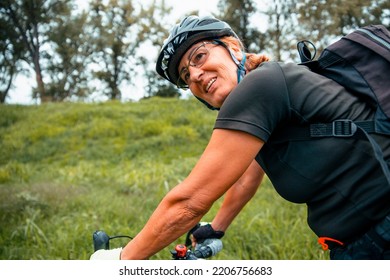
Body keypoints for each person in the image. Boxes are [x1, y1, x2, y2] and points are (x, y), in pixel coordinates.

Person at [90, 15, 390, 260]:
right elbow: (247, 176)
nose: (194, 75)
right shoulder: (271, 91)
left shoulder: (260, 85)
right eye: (184, 76)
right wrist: (217, 228)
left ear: (233, 47)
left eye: (199, 56)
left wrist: (120, 262)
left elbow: (190, 201)